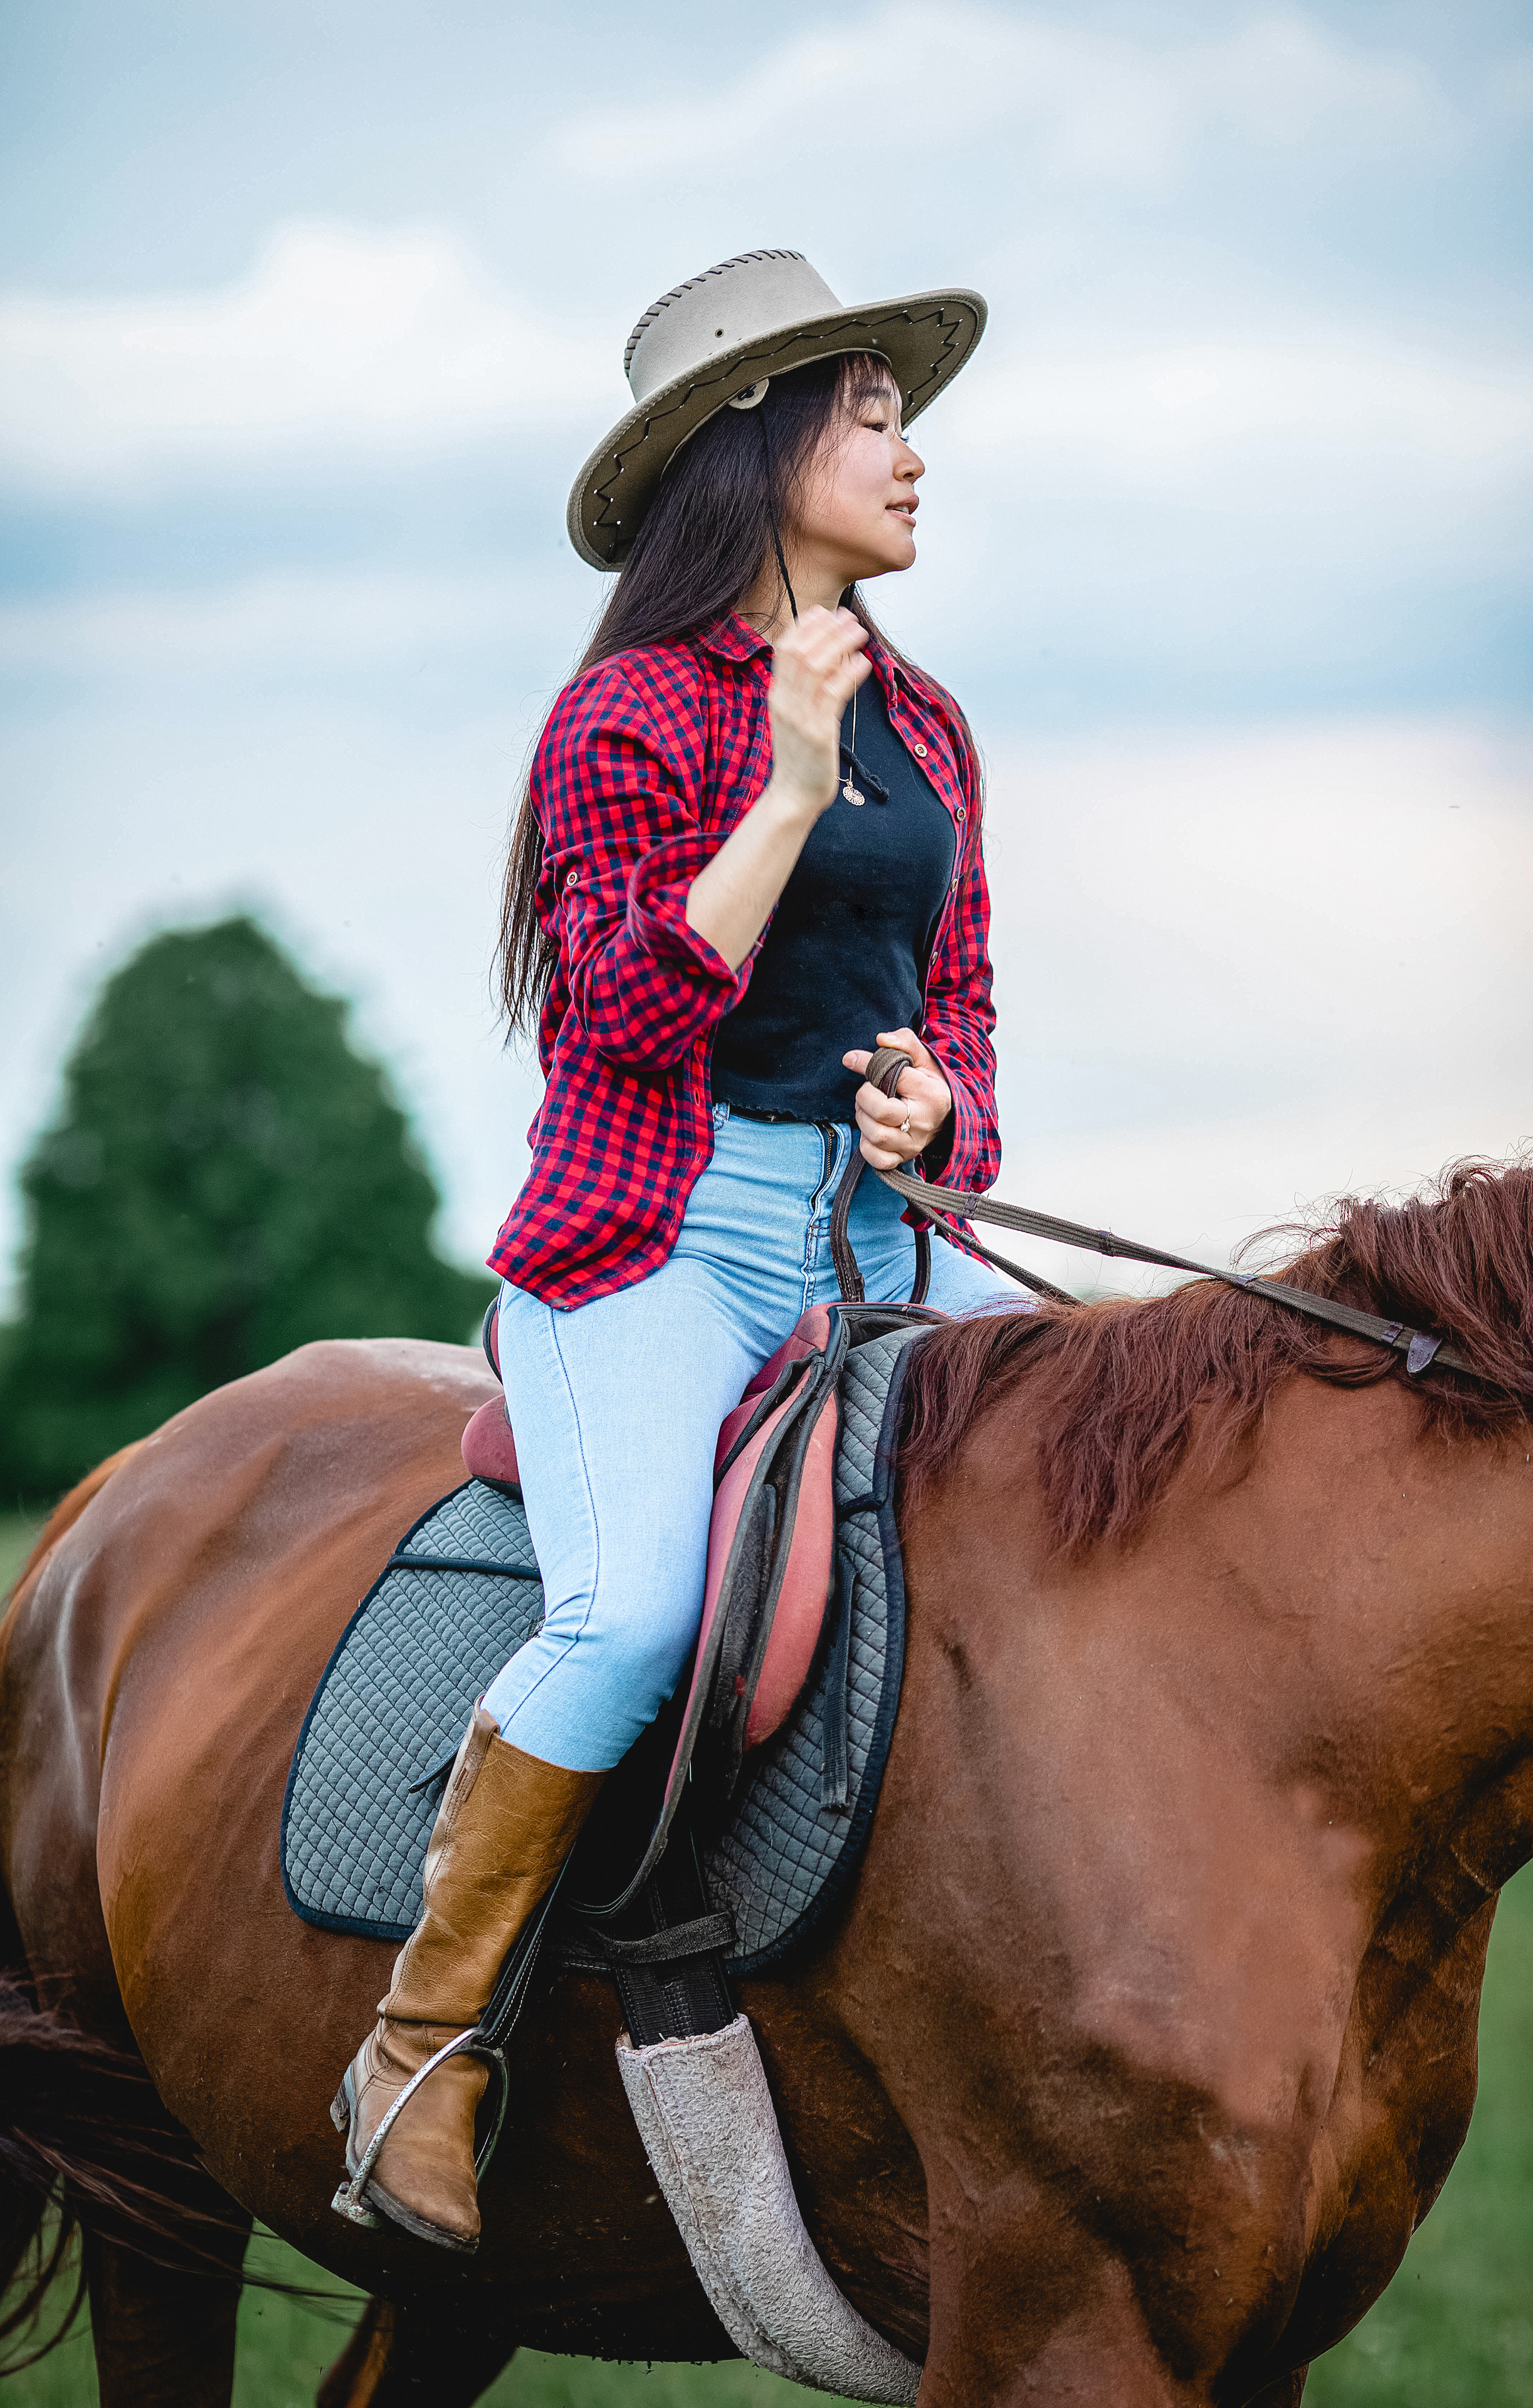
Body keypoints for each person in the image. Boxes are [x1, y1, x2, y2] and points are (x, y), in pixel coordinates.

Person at [335, 249, 1014, 2249]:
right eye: (874, 413)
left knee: (1103, 1478)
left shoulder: (942, 725)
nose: (911, 454)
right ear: (762, 444)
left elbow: (962, 999)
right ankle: (420, 2049)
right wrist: (793, 786)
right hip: (658, 1237)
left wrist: (939, 1115)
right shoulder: (625, 714)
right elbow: (622, 1017)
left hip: (881, 1236)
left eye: (903, 414)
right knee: (630, 1613)